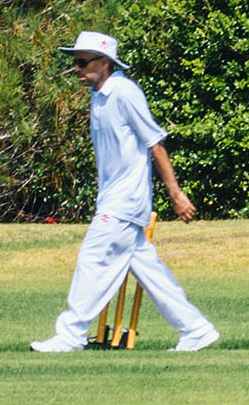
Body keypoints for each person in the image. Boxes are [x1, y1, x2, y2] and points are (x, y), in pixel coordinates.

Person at [32, 32, 218, 354]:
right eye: (75, 62)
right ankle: (196, 329)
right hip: (114, 199)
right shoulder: (99, 94)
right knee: (148, 269)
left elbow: (155, 144)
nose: (76, 68)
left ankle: (71, 334)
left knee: (93, 259)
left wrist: (176, 195)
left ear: (104, 63)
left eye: (82, 62)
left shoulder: (125, 92)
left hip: (125, 201)